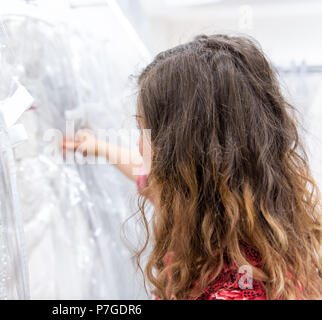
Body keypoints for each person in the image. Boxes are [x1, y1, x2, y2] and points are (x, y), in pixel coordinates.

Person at [63, 34, 322, 300]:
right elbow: (142, 174)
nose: (140, 146)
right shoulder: (237, 217)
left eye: (146, 133)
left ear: (185, 162)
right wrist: (98, 147)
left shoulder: (236, 290)